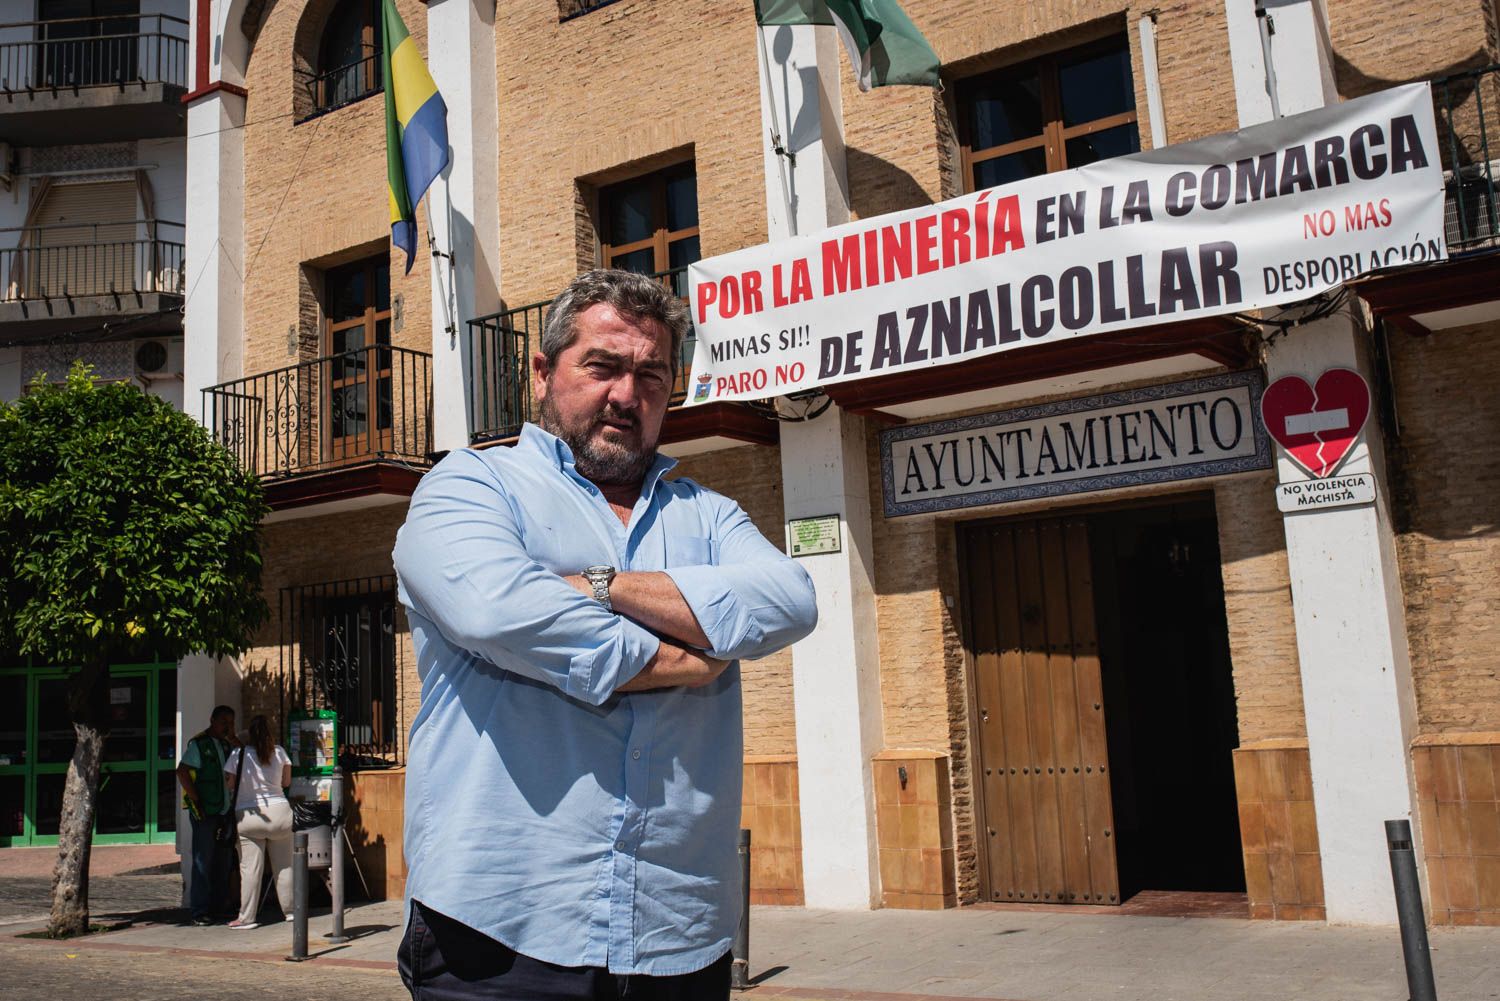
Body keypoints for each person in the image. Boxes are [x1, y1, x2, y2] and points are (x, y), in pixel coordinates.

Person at [393, 269, 818, 999]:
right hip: (500, 934)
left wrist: (599, 585)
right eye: (603, 366)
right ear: (541, 372)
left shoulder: (710, 515)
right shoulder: (470, 485)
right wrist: (669, 653)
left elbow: (790, 599)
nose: (627, 395)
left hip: (676, 936)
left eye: (651, 373)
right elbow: (498, 609)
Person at [224, 714, 294, 929]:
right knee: (285, 866)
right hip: (281, 813)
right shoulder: (280, 752)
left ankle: (247, 918)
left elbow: (229, 784)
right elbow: (286, 781)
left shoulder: (239, 754)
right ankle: (291, 912)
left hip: (250, 815)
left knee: (250, 868)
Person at [177, 704, 237, 925]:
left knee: (223, 861)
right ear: (212, 720)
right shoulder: (199, 744)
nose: (227, 727)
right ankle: (199, 910)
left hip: (224, 809)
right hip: (206, 810)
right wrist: (195, 799)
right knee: (203, 860)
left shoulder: (226, 745)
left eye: (231, 723)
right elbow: (182, 771)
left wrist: (233, 739)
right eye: (224, 722)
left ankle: (219, 905)